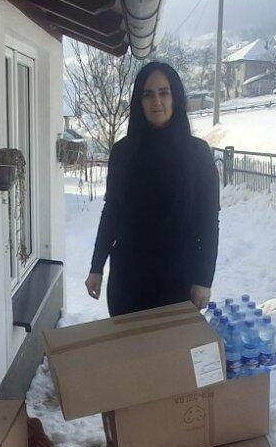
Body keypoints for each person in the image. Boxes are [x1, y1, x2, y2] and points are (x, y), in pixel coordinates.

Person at [86, 62, 220, 316]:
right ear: (139, 101)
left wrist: (204, 279)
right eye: (147, 94)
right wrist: (97, 266)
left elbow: (208, 221)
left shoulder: (197, 153)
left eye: (163, 92)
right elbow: (112, 211)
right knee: (130, 352)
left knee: (174, 353)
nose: (156, 101)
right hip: (129, 280)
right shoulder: (123, 152)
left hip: (179, 280)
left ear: (176, 97)